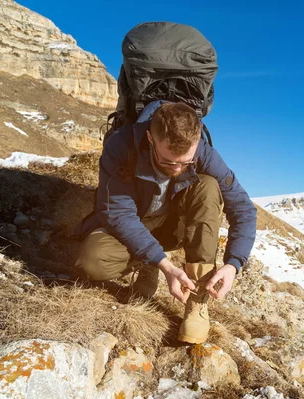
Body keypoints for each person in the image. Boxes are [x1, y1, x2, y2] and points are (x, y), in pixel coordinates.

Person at [74, 101, 257, 344]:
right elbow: (118, 213)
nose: (178, 168)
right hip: (132, 223)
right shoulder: (120, 145)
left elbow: (243, 207)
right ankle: (148, 262)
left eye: (187, 162)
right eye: (169, 161)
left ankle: (197, 300)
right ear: (150, 138)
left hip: (172, 227)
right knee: (91, 263)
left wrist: (233, 264)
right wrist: (164, 265)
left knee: (208, 187)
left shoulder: (203, 153)